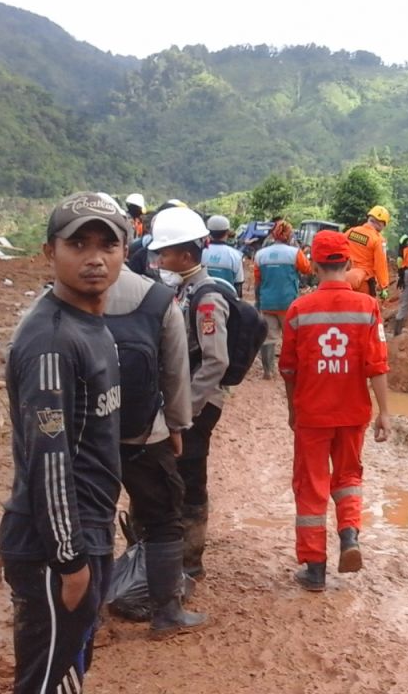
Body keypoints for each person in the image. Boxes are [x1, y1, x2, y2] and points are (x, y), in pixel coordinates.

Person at [0, 192, 127, 694]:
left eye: (106, 244)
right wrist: (69, 560)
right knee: (47, 679)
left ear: (124, 252)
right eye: (78, 244)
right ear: (50, 252)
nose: (94, 257)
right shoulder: (51, 339)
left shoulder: (93, 325)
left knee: (70, 667)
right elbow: (47, 460)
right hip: (55, 544)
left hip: (86, 530)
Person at [280, 231, 391, 591]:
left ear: (313, 265)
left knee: (311, 488)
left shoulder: (299, 310)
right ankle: (349, 537)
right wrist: (384, 412)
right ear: (349, 263)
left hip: (312, 413)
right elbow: (377, 365)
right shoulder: (368, 307)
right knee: (348, 479)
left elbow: (289, 368)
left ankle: (314, 570)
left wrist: (292, 409)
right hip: (353, 411)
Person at [104, 263, 207, 635]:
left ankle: (87, 615)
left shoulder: (59, 299)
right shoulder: (159, 300)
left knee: (92, 521)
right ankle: (167, 614)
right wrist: (177, 424)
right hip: (145, 434)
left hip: (85, 438)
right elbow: (175, 372)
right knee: (164, 517)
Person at [149, 207, 232, 579]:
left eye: (164, 253)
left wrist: (185, 410)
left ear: (184, 255)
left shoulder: (207, 297)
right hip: (185, 401)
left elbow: (215, 361)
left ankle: (191, 560)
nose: (159, 259)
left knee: (190, 477)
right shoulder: (185, 289)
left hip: (200, 403)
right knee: (176, 473)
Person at [253, 220, 312, 379]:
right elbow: (307, 269)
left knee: (268, 338)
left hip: (267, 302)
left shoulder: (260, 255)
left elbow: (257, 280)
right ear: (289, 235)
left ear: (273, 235)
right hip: (288, 304)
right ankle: (291, 371)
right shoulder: (295, 253)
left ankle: (268, 372)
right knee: (291, 338)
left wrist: (258, 301)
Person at [346, 206, 391, 299]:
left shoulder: (351, 231)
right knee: (366, 311)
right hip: (363, 283)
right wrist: (383, 286)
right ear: (381, 223)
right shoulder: (378, 240)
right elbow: (381, 264)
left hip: (344, 279)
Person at [202, 215, 245, 298]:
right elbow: (238, 284)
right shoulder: (236, 255)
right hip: (227, 302)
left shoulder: (200, 252)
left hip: (202, 299)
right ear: (227, 232)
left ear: (208, 231)